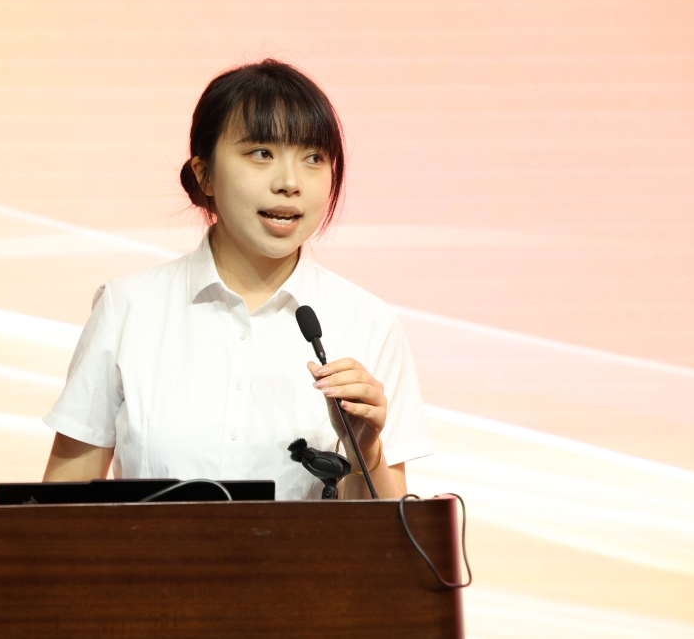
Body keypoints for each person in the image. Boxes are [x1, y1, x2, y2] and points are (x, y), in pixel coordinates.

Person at [41, 59, 432, 499]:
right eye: (261, 153)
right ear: (204, 174)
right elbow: (57, 510)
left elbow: (393, 533)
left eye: (313, 158)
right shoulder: (128, 308)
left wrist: (366, 451)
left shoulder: (369, 322)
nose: (290, 182)